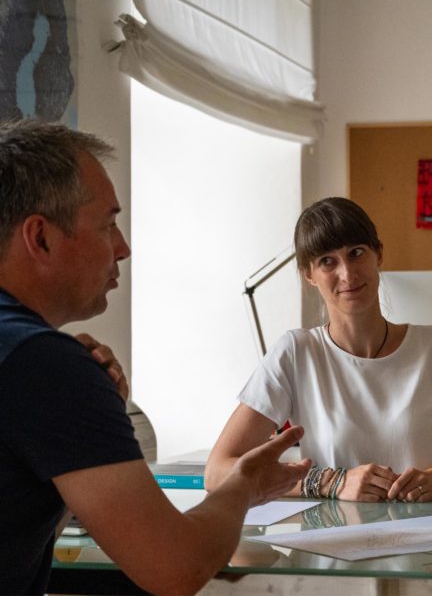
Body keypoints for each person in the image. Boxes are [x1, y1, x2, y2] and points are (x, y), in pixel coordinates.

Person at [0, 120, 311, 595]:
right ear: (40, 238)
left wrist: (72, 443)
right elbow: (176, 568)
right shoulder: (45, 365)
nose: (123, 248)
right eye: (108, 225)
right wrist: (245, 484)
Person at [205, 197, 432, 502]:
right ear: (309, 275)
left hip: (431, 535)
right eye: (327, 261)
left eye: (356, 253)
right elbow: (217, 473)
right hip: (334, 541)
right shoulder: (295, 352)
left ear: (378, 254)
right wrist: (329, 482)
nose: (347, 274)